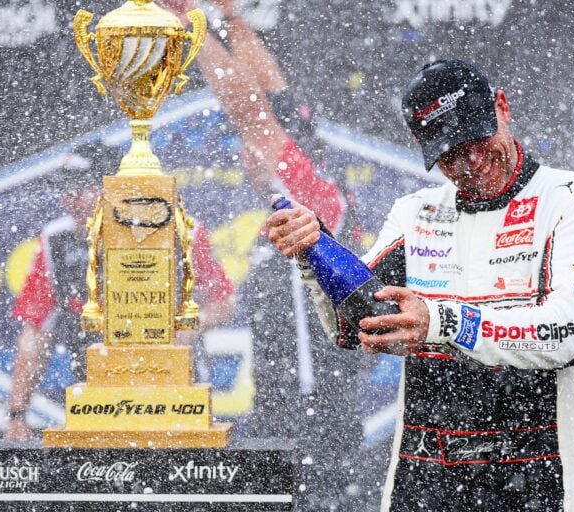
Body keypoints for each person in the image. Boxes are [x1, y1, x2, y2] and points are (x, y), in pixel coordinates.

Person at [266, 59, 574, 511]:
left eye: (477, 138)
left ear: (502, 107)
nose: (471, 161)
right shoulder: (417, 212)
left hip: (537, 485)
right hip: (425, 487)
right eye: (450, 152)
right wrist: (314, 251)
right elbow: (355, 322)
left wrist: (442, 321)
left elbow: (571, 332)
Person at [157, 1, 372, 509]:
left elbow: (247, 110)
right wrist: (232, 19)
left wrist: (193, 22)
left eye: (251, 147)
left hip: (312, 410)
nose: (245, 154)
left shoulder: (302, 188)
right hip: (316, 403)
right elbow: (270, 91)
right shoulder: (313, 160)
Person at [5, 143, 235, 439]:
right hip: (96, 397)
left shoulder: (180, 230)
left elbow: (223, 301)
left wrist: (185, 327)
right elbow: (35, 335)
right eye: (66, 190)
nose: (71, 201)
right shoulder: (56, 241)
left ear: (117, 190)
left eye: (82, 189)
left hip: (176, 394)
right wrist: (17, 413)